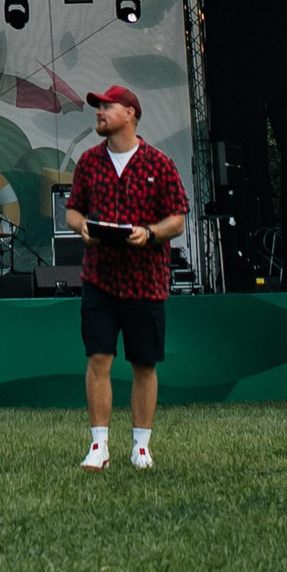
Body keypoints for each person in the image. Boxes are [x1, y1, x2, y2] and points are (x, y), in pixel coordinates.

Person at [64, 85, 187, 472]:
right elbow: (72, 211)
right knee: (98, 359)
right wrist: (82, 226)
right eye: (98, 107)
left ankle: (141, 447)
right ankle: (99, 446)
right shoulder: (88, 162)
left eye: (106, 106)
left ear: (130, 113)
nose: (99, 112)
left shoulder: (159, 163)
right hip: (98, 278)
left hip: (145, 280)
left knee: (143, 365)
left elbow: (177, 219)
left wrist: (149, 233)